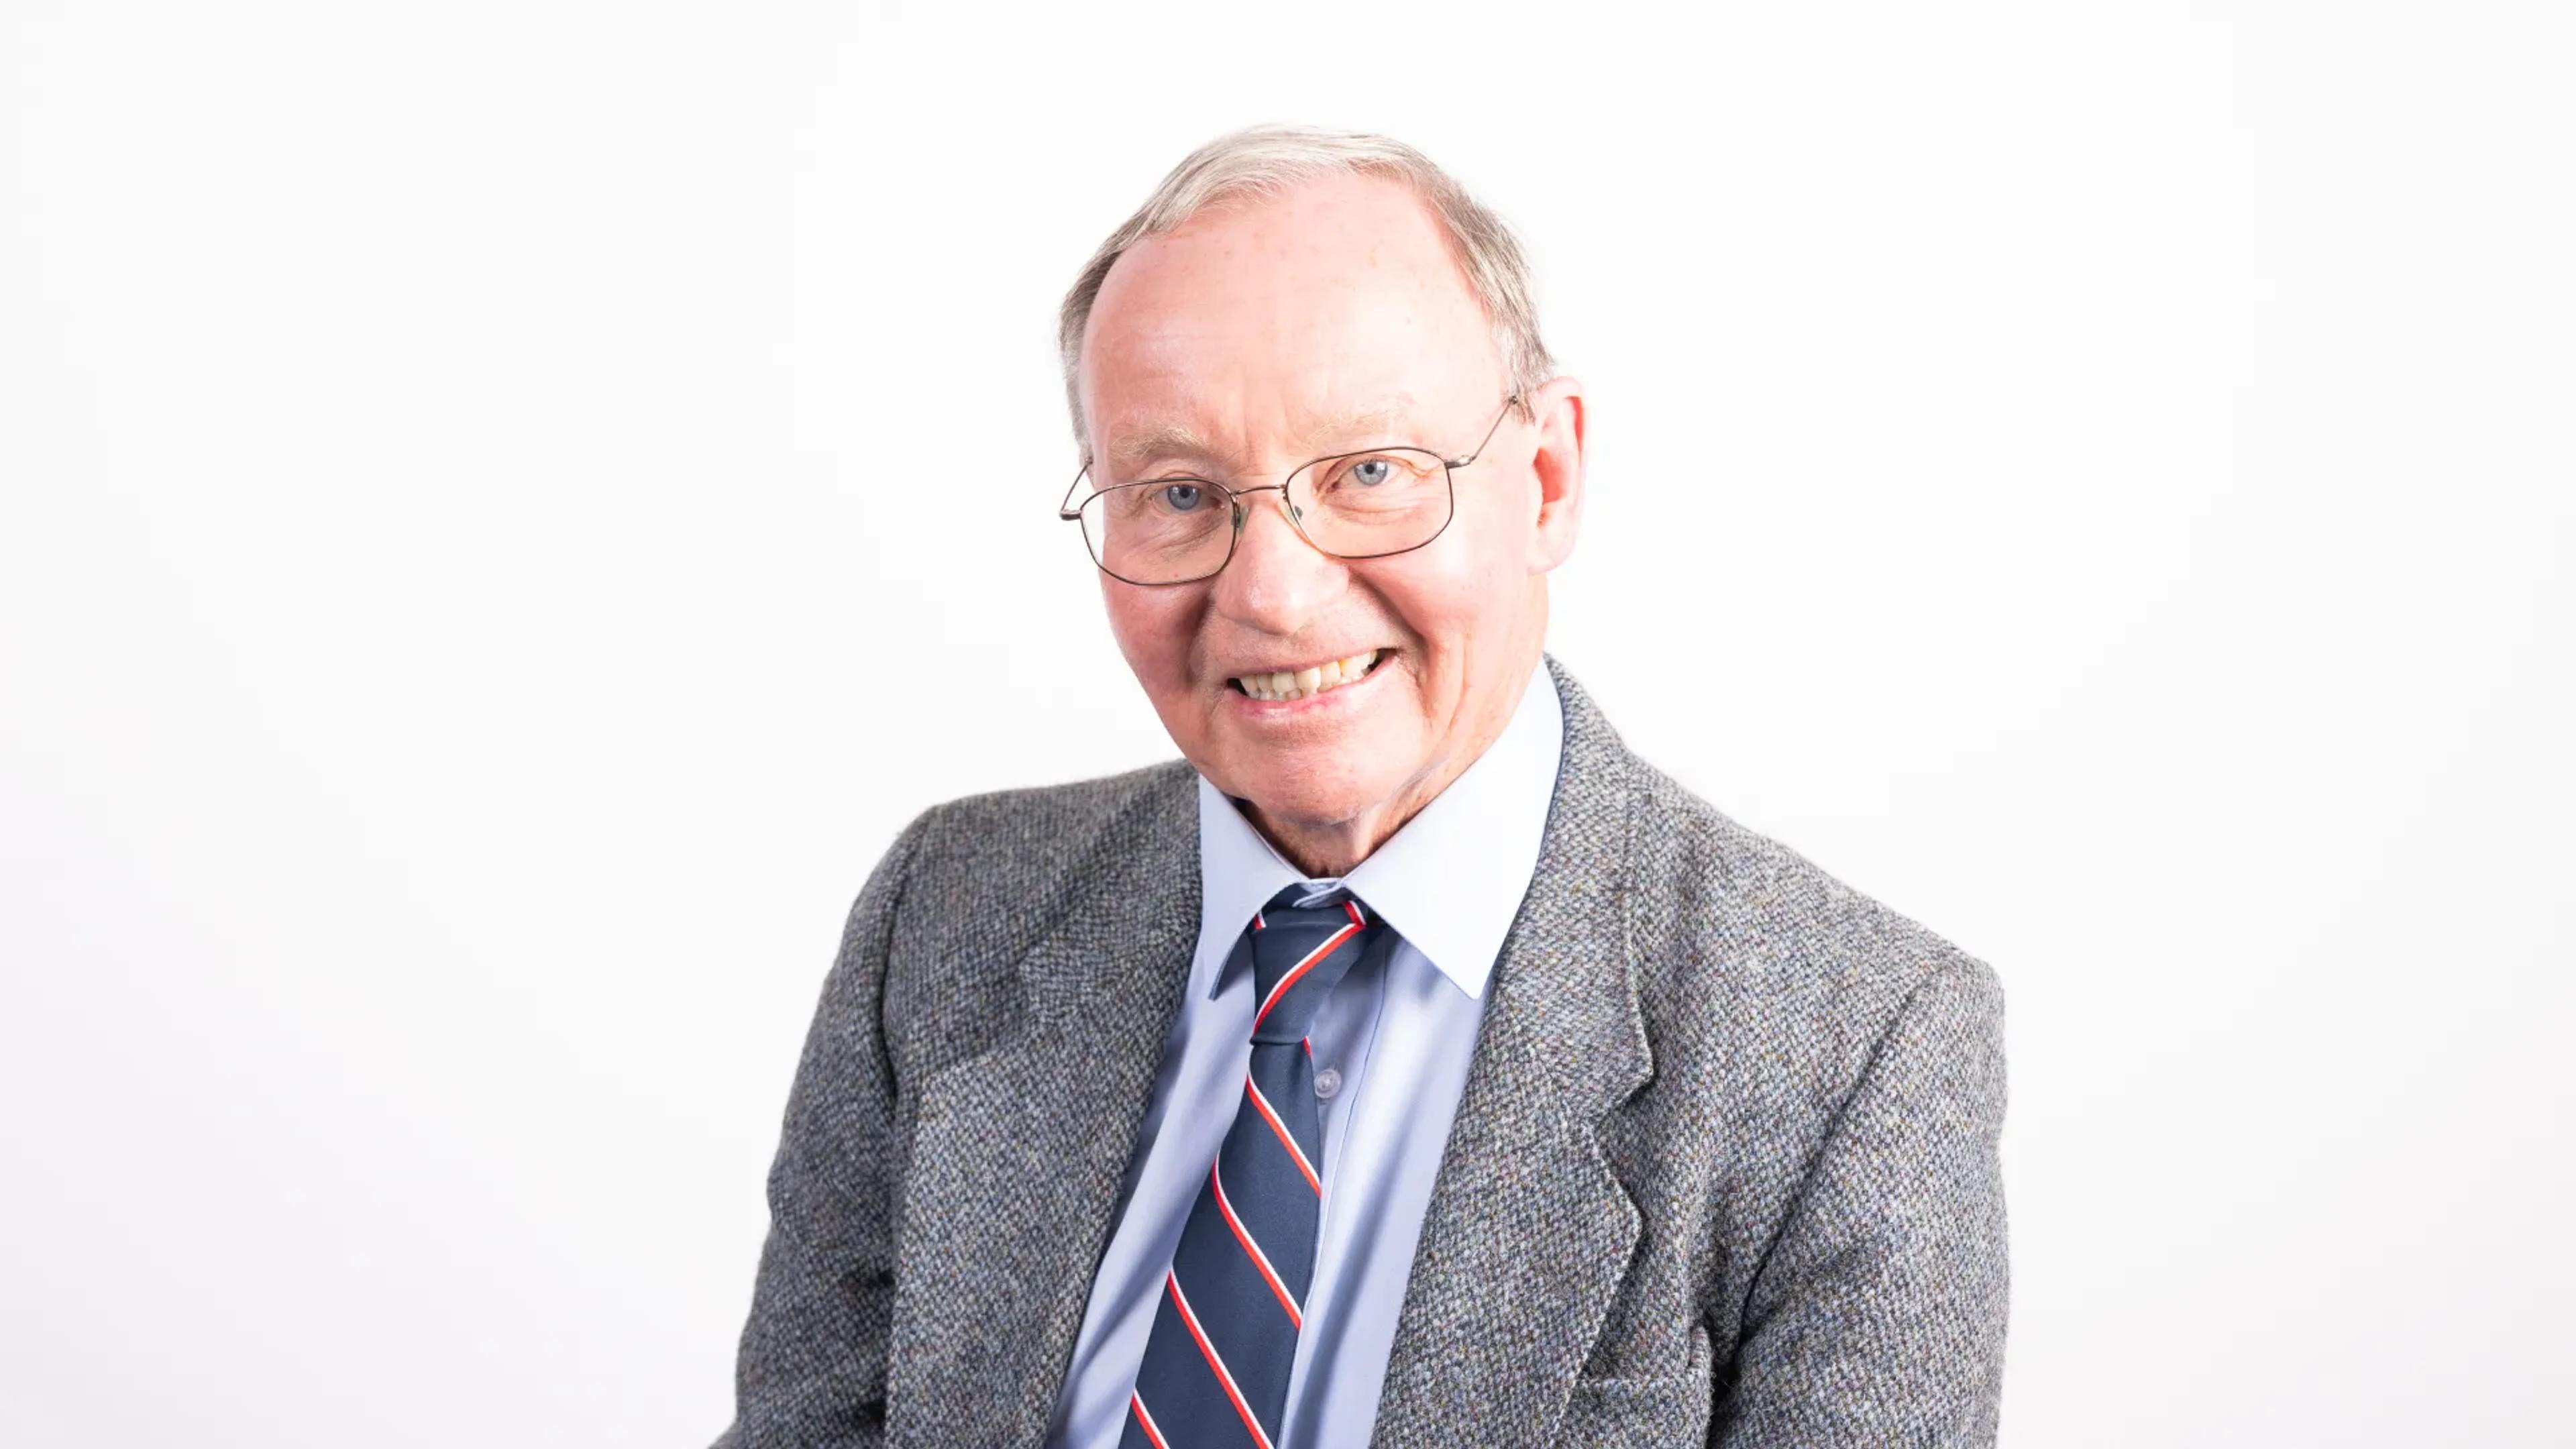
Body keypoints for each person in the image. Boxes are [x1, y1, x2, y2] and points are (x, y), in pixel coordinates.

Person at [712, 125, 2008, 1449]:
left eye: (1370, 473)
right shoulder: (947, 915)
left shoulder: (1858, 1050)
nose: (1271, 594)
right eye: (1178, 492)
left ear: (1547, 479)